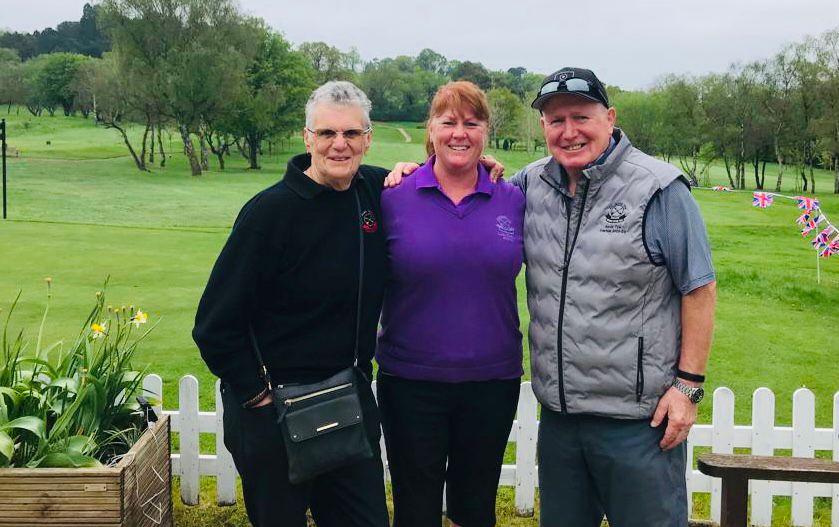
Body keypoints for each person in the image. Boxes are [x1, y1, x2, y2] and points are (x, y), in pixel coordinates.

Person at [514, 67, 716, 527]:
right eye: (555, 120)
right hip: (561, 420)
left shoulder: (659, 188)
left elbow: (700, 288)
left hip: (638, 425)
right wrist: (416, 171)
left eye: (580, 117)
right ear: (544, 127)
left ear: (609, 117)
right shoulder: (530, 185)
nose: (569, 132)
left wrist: (687, 388)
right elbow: (470, 199)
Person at [193, 81, 389, 527]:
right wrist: (256, 395)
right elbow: (214, 325)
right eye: (327, 134)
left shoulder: (375, 192)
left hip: (347, 403)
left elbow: (440, 175)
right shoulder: (269, 213)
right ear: (307, 138)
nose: (340, 144)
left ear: (367, 138)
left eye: (351, 134)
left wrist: (486, 167)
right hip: (273, 410)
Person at [376, 81, 525, 527]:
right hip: (410, 381)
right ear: (431, 129)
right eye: (449, 122)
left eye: (472, 123)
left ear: (486, 132)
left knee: (475, 507)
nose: (460, 133)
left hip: (492, 381)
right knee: (415, 505)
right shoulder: (392, 195)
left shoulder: (512, 198)